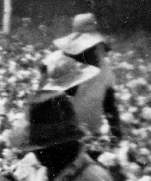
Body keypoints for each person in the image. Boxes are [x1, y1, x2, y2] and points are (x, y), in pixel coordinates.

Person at [52, 14, 123, 142]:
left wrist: (116, 132)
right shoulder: (64, 63)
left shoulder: (103, 68)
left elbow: (109, 103)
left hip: (90, 132)